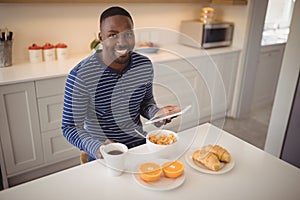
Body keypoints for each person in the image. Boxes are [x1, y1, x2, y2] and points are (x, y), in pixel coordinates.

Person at [62, 6, 180, 162]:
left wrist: (157, 115)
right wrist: (99, 148)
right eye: (113, 35)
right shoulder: (81, 75)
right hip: (103, 154)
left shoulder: (143, 65)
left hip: (140, 147)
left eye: (128, 34)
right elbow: (70, 127)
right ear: (101, 37)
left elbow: (145, 103)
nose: (122, 42)